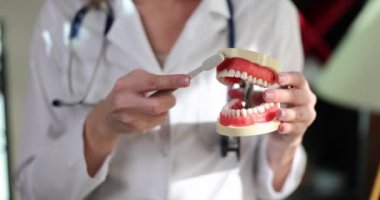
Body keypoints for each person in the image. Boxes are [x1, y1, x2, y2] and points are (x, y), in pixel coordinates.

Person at [15, 0, 317, 199]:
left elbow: (272, 186)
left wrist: (285, 144)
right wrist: (98, 130)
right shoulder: (66, 14)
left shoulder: (268, 12)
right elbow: (33, 190)